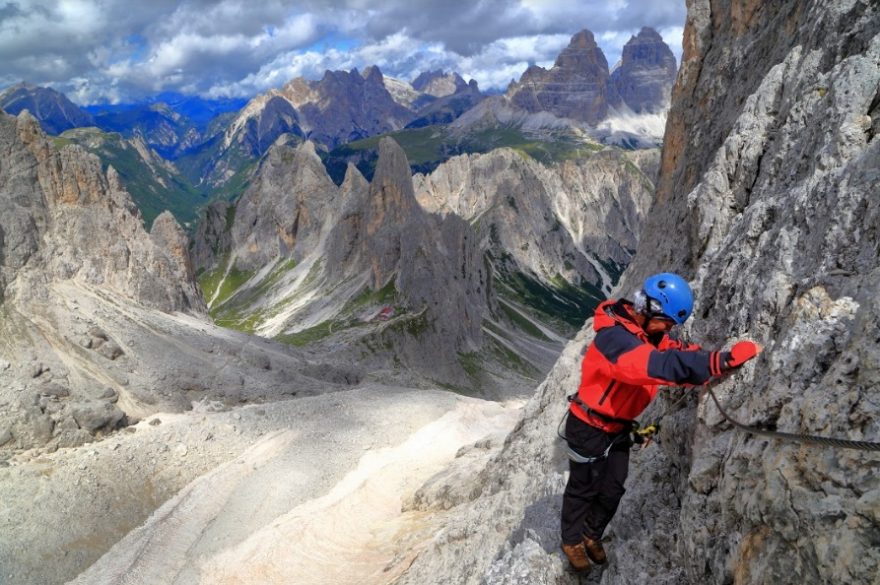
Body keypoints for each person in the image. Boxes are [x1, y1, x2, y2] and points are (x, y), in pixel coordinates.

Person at [560, 272, 760, 572]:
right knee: (583, 488)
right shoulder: (613, 338)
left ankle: (592, 534)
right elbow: (654, 365)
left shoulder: (649, 336)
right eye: (666, 321)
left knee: (613, 489)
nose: (668, 329)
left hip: (617, 429)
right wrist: (714, 364)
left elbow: (676, 352)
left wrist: (715, 359)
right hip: (587, 426)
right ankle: (571, 540)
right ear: (650, 307)